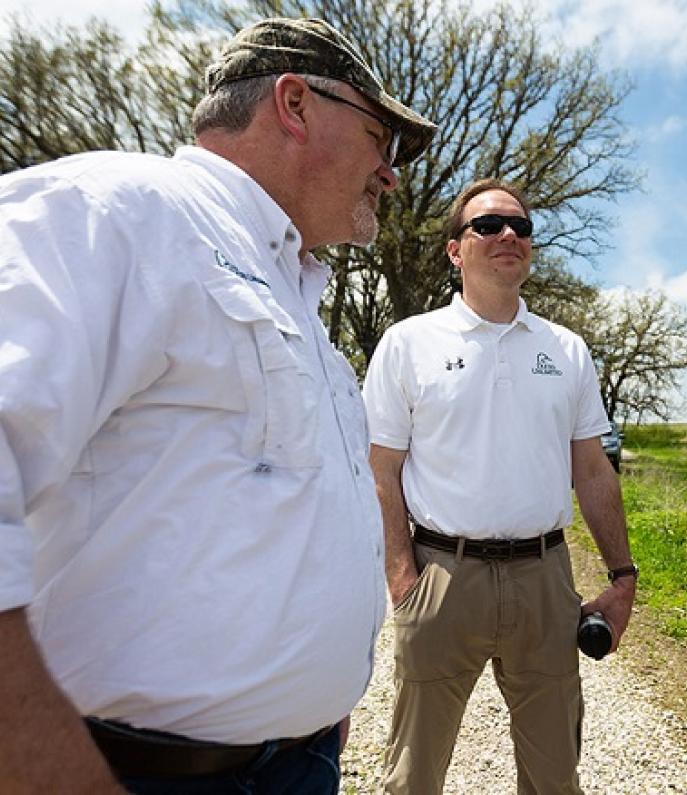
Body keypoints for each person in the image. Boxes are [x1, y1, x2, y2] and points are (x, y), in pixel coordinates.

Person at [0, 17, 436, 793]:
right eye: (383, 138)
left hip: (296, 763)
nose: (392, 173)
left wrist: (314, 699)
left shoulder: (296, 296)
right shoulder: (117, 211)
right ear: (296, 103)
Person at [363, 178, 635, 794]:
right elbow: (380, 469)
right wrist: (404, 581)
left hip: (545, 580)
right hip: (441, 576)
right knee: (412, 778)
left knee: (554, 779)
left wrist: (622, 578)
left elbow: (592, 470)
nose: (508, 234)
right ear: (456, 250)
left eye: (520, 226)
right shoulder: (409, 343)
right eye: (487, 225)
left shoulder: (566, 350)